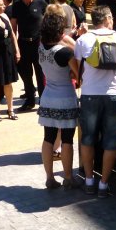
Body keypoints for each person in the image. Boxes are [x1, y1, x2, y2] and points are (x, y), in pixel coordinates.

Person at [74, 6, 116, 198]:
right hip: (115, 95)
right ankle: (103, 184)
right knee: (111, 140)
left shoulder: (83, 40)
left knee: (88, 138)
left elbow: (78, 70)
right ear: (108, 18)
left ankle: (89, 181)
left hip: (90, 95)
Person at [37, 11, 81, 190]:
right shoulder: (65, 53)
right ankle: (68, 178)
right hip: (65, 98)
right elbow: (79, 75)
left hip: (48, 97)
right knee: (67, 140)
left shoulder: (40, 47)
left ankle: (49, 178)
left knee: (48, 138)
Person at [11, 0, 47, 110]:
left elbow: (48, 20)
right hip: (23, 43)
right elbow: (13, 27)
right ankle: (30, 100)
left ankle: (43, 100)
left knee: (40, 73)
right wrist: (15, 46)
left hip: (38, 43)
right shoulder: (17, 5)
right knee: (26, 74)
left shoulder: (40, 2)